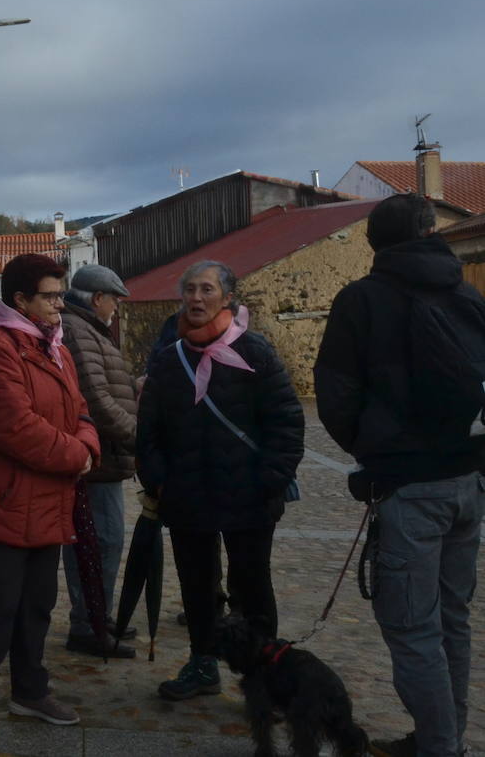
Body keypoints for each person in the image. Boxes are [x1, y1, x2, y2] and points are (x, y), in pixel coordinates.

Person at [314, 193, 485, 757]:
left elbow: (335, 394)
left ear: (373, 242)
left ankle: (440, 748)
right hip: (468, 482)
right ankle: (444, 737)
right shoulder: (467, 295)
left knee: (413, 628)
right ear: (432, 233)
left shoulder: (362, 299)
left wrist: (374, 453)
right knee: (452, 620)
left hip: (409, 489)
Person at [0, 253, 101, 743]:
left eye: (61, 294)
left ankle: (30, 690)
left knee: (38, 600)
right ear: (21, 300)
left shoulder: (54, 347)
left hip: (47, 496)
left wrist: (88, 445)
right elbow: (16, 428)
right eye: (51, 296)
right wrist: (78, 456)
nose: (61, 305)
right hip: (2, 497)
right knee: (1, 601)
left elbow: (80, 409)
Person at [136, 260, 303, 701]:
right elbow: (148, 430)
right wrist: (158, 481)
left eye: (206, 289)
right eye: (189, 289)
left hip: (249, 499)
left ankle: (264, 674)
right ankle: (203, 663)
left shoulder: (256, 354)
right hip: (189, 497)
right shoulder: (169, 361)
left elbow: (286, 422)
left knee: (252, 588)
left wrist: (268, 480)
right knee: (197, 587)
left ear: (227, 298)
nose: (195, 298)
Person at [59, 264, 138, 658]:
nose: (117, 309)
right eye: (114, 300)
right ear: (97, 299)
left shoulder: (89, 329)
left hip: (106, 457)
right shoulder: (78, 330)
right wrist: (136, 435)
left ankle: (97, 614)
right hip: (97, 459)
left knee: (103, 540)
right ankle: (87, 624)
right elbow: (97, 398)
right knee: (97, 542)